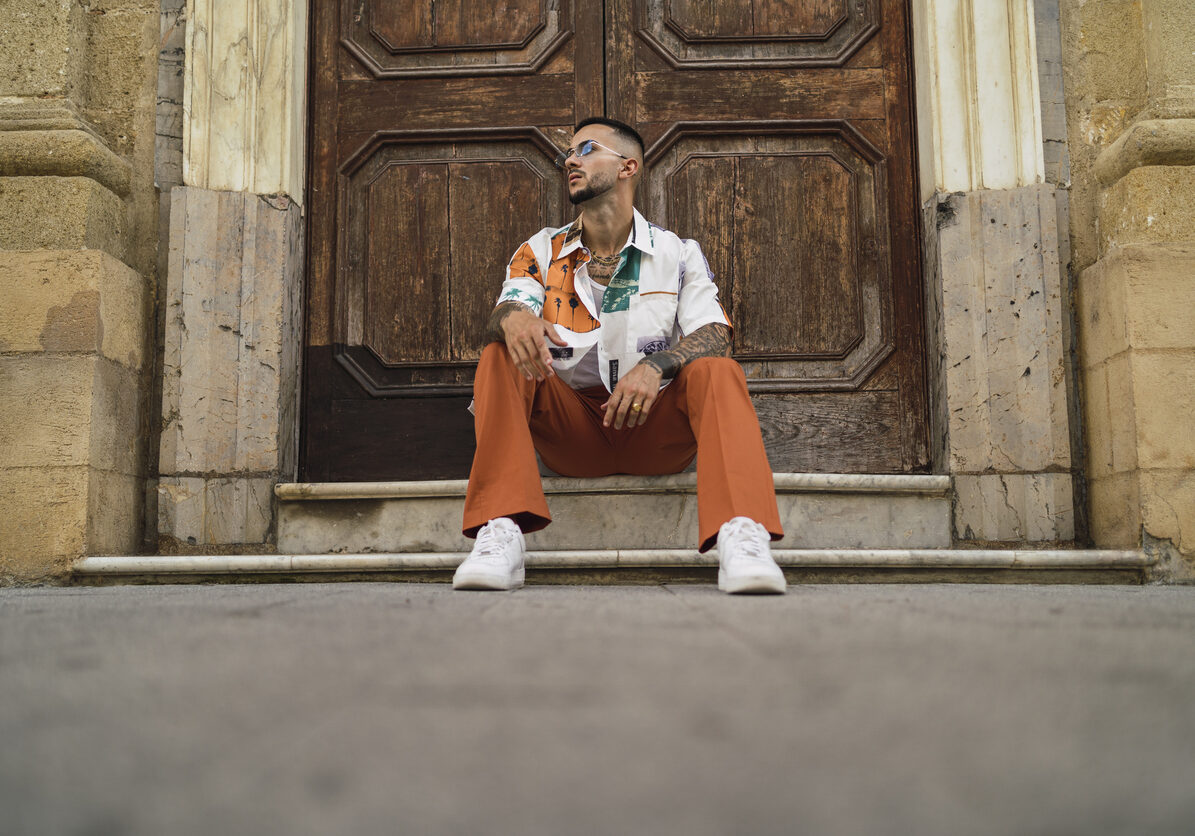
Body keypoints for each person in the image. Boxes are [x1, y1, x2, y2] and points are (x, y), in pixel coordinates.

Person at [454, 117, 786, 594]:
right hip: (574, 433)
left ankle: (743, 533)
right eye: (568, 153)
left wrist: (657, 365)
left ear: (628, 165)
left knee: (717, 369)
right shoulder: (540, 250)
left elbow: (715, 333)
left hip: (654, 428)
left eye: (586, 149)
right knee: (501, 352)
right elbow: (509, 305)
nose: (571, 159)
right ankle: (500, 529)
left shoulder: (677, 254)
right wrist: (513, 320)